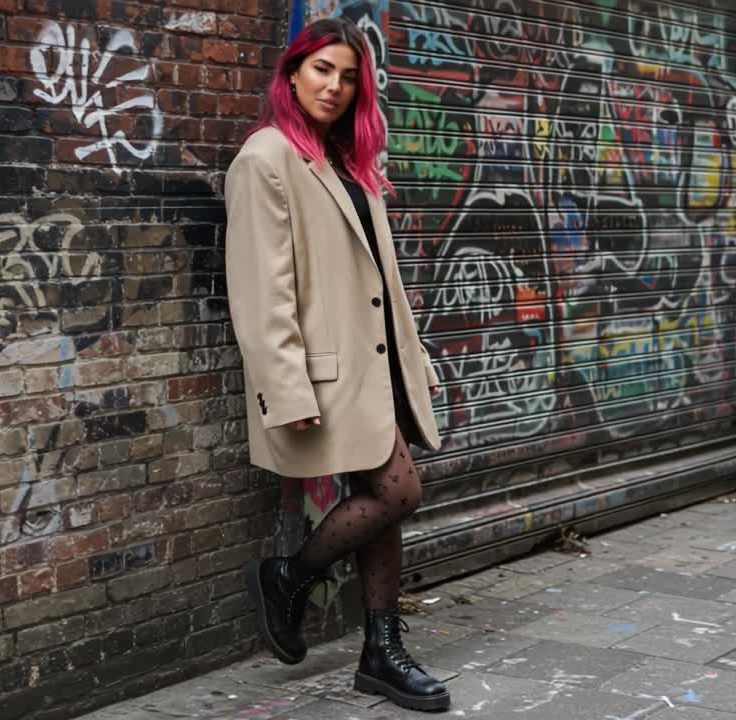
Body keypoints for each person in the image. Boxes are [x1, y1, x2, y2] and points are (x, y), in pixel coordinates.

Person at [224, 17, 449, 714]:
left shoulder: (348, 161)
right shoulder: (265, 159)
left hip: (374, 366)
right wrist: (286, 388)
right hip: (326, 374)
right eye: (323, 69)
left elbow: (383, 280)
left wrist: (417, 363)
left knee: (386, 500)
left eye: (349, 75)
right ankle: (290, 576)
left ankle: (380, 653)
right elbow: (263, 291)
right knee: (397, 490)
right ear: (292, 74)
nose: (335, 86)